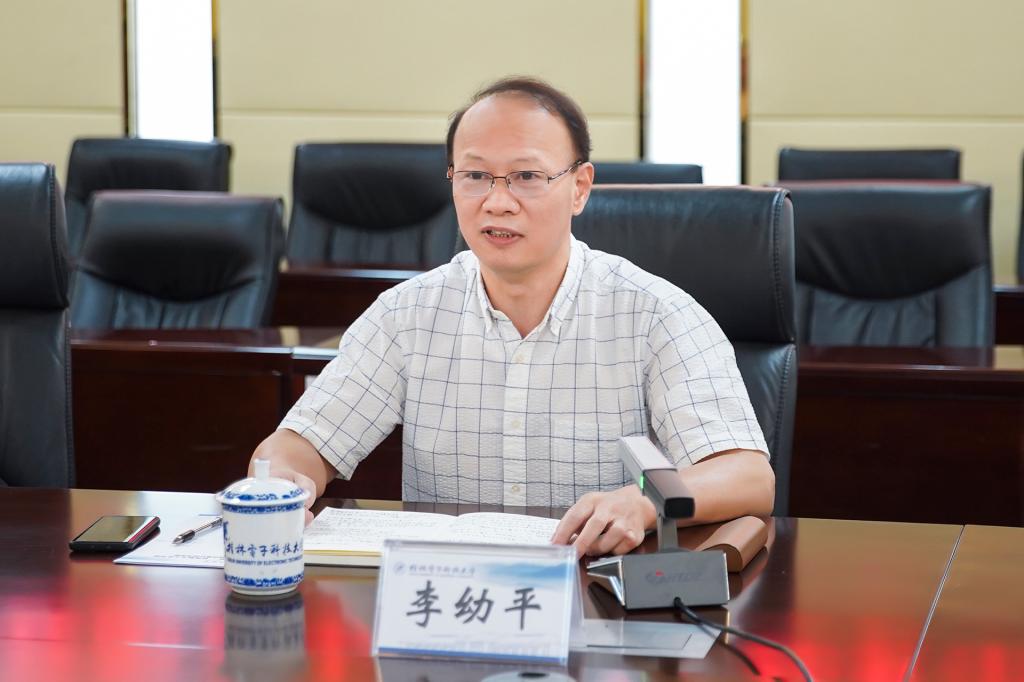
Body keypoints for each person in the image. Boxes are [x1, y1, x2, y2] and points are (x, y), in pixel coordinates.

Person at [250, 76, 774, 557]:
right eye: (475, 175)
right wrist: (282, 481)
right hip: (447, 598)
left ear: (580, 187)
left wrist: (643, 501)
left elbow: (748, 476)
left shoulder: (657, 314)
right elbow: (299, 445)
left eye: (527, 176)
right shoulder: (405, 315)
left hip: (599, 595)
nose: (497, 202)